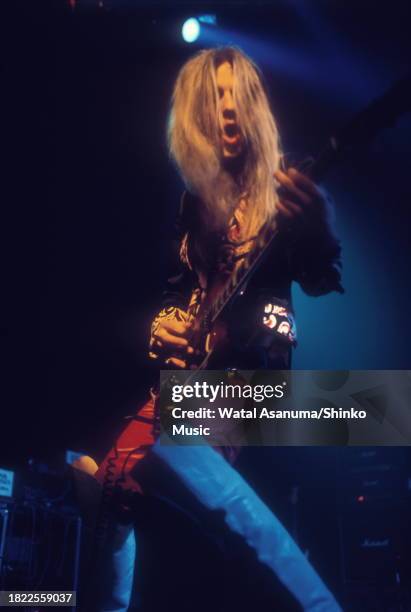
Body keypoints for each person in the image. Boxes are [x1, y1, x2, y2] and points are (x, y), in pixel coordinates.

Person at [94, 46, 343, 611]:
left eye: (236, 96)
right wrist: (164, 324)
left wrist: (319, 226)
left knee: (178, 454)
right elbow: (175, 291)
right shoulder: (192, 203)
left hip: (254, 379)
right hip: (195, 382)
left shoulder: (284, 182)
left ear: (252, 106)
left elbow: (324, 276)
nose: (227, 109)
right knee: (114, 483)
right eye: (215, 98)